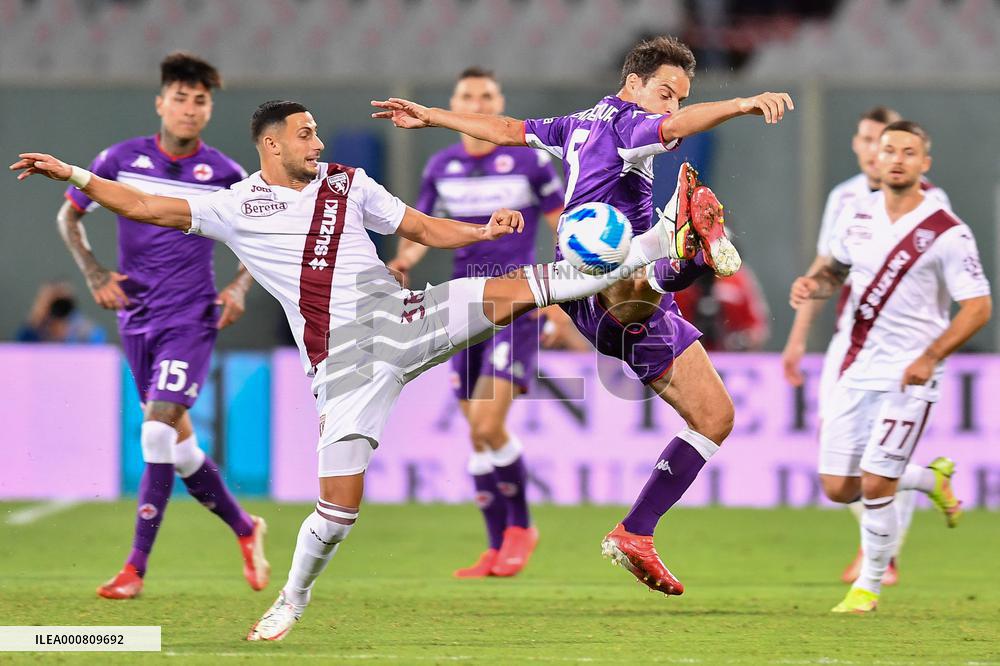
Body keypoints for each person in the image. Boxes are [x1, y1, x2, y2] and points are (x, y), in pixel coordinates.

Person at [11, 97, 722, 639]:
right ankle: (293, 599)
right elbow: (140, 203)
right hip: (344, 367)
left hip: (405, 317)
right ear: (271, 144)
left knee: (529, 288)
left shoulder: (347, 182)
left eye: (318, 133)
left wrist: (481, 231)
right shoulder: (235, 205)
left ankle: (666, 234)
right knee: (338, 510)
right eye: (305, 134)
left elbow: (415, 227)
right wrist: (73, 174)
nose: (318, 142)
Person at [372, 35, 793, 593]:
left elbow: (506, 129)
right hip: (599, 281)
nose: (668, 107)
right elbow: (674, 128)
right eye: (665, 93)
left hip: (587, 283)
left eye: (678, 97)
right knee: (638, 279)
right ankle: (684, 249)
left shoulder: (580, 122)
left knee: (714, 417)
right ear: (633, 83)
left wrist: (433, 116)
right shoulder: (629, 127)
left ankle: (636, 532)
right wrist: (741, 103)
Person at [54, 52, 267, 600]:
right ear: (160, 102)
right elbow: (69, 214)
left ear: (209, 109)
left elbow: (258, 236)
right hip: (137, 317)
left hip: (191, 318)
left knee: (154, 429)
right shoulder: (119, 160)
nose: (190, 109)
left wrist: (239, 287)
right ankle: (247, 528)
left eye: (200, 101)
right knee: (182, 449)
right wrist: (96, 272)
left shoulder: (225, 174)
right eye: (180, 98)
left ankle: (135, 569)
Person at [789, 120, 991, 613]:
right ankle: (928, 479)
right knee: (838, 487)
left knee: (877, 482)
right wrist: (813, 285)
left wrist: (931, 356)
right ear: (875, 160)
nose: (897, 159)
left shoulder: (947, 231)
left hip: (911, 375)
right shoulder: (855, 216)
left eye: (909, 151)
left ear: (925, 163)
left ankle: (869, 587)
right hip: (857, 367)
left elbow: (979, 306)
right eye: (889, 151)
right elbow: (834, 269)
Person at [388, 67, 565, 579]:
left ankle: (521, 530)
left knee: (488, 422)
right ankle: (494, 544)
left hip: (517, 300)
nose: (479, 102)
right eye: (468, 95)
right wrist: (403, 262)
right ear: (454, 103)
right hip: (461, 305)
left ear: (500, 101)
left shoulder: (531, 162)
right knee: (476, 432)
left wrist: (556, 298)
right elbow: (421, 228)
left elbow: (562, 227)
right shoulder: (442, 165)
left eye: (487, 95)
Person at [16, 281, 107, 343]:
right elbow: (21, 348)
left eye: (63, 302)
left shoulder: (87, 331)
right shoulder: (36, 328)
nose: (59, 306)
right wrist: (37, 317)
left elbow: (98, 350)